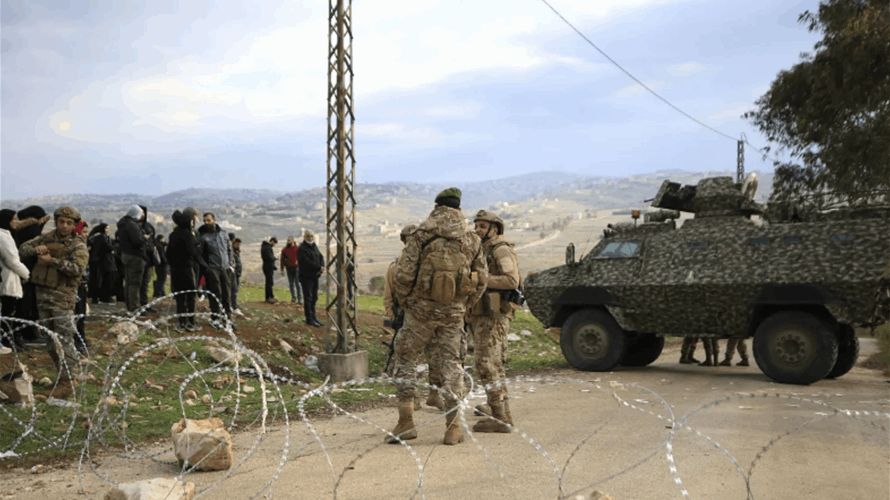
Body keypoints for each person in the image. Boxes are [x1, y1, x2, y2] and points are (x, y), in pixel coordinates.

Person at [387, 187, 488, 445]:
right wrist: (464, 306)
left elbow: (403, 275)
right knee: (452, 366)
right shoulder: (472, 240)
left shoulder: (421, 235)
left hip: (420, 311)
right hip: (453, 314)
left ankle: (406, 422)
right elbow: (481, 280)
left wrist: (407, 302)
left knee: (407, 359)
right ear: (458, 207)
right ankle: (453, 428)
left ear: (437, 206)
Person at [18, 206, 89, 398]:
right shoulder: (46, 238)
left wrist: (53, 261)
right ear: (56, 221)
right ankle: (63, 375)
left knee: (65, 340)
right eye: (61, 222)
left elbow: (77, 269)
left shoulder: (77, 245)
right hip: (43, 297)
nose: (64, 226)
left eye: (68, 223)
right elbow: (22, 249)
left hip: (63, 298)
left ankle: (69, 381)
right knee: (49, 341)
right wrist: (36, 249)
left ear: (74, 225)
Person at [466, 209, 520, 433]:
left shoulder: (501, 249)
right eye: (476, 226)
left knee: (485, 364)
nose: (477, 230)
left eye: (482, 226)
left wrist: (480, 280)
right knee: (493, 365)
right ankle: (500, 409)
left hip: (494, 316)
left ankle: (500, 417)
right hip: (482, 315)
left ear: (494, 229)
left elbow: (511, 279)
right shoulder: (483, 249)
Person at [12, 205, 50, 347]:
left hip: (24, 272)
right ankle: (29, 333)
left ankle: (25, 333)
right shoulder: (32, 229)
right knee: (29, 305)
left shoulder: (20, 229)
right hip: (29, 272)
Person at [166, 207, 204, 332]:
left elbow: (168, 254)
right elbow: (191, 252)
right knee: (190, 296)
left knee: (180, 297)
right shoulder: (188, 235)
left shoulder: (173, 234)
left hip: (176, 270)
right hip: (187, 268)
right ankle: (191, 322)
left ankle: (181, 323)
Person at [0, 209, 31, 352]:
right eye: (13, 219)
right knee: (8, 312)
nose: (16, 222)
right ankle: (6, 341)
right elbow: (12, 260)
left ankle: (9, 341)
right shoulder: (2, 236)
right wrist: (25, 274)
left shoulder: (7, 235)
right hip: (7, 277)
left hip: (10, 276)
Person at [198, 212, 235, 330]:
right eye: (204, 221)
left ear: (214, 219)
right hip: (213, 269)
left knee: (226, 295)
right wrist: (206, 268)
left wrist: (230, 265)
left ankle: (227, 319)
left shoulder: (224, 234)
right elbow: (199, 255)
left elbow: (229, 250)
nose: (206, 223)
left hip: (225, 269)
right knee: (216, 295)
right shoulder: (203, 237)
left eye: (208, 220)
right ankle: (215, 319)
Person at [116, 205, 147, 315]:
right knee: (135, 283)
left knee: (129, 282)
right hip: (135, 256)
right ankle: (135, 308)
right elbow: (137, 241)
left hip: (126, 255)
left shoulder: (122, 224)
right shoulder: (132, 225)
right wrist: (145, 238)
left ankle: (129, 306)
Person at [297, 230, 325, 327]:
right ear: (304, 237)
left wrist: (322, 267)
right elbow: (306, 262)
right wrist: (318, 268)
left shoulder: (314, 246)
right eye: (308, 236)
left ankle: (314, 317)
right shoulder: (302, 248)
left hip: (315, 276)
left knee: (314, 297)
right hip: (306, 277)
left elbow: (321, 256)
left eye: (311, 236)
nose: (310, 238)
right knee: (308, 298)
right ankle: (309, 319)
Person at [87, 223, 116, 304]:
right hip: (99, 262)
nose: (108, 230)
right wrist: (113, 249)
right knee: (98, 280)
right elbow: (108, 247)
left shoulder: (97, 236)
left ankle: (97, 297)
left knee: (97, 279)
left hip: (97, 261)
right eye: (106, 228)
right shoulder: (101, 237)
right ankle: (100, 297)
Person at [137, 205, 158, 312]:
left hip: (149, 259)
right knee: (138, 283)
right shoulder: (134, 227)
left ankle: (144, 304)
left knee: (145, 283)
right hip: (139, 258)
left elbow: (153, 241)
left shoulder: (149, 226)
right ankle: (137, 305)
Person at [280, 237, 301, 304]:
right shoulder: (284, 250)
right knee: (291, 284)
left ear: (293, 241)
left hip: (296, 268)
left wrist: (299, 263)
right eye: (288, 240)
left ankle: (300, 299)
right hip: (289, 268)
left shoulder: (297, 248)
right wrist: (282, 269)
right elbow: (282, 260)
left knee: (298, 284)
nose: (288, 242)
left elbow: (301, 257)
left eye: (290, 240)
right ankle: (293, 298)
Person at [261, 236, 278, 303]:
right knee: (269, 282)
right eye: (274, 243)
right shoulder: (267, 248)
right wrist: (275, 258)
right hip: (268, 267)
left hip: (267, 266)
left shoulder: (265, 247)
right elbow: (269, 258)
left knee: (269, 282)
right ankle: (269, 297)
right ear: (272, 242)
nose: (274, 245)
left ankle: (270, 296)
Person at [230, 235, 244, 317]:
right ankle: (233, 306)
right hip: (233, 274)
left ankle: (233, 304)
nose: (238, 245)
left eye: (239, 244)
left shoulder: (237, 252)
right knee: (233, 290)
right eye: (237, 244)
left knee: (235, 290)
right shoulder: (232, 252)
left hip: (237, 274)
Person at [153, 234, 169, 299]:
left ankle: (161, 293)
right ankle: (158, 293)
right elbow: (162, 256)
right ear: (161, 239)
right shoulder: (160, 247)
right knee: (162, 279)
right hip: (162, 265)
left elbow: (165, 244)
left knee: (160, 279)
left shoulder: (158, 245)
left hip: (158, 265)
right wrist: (166, 262)